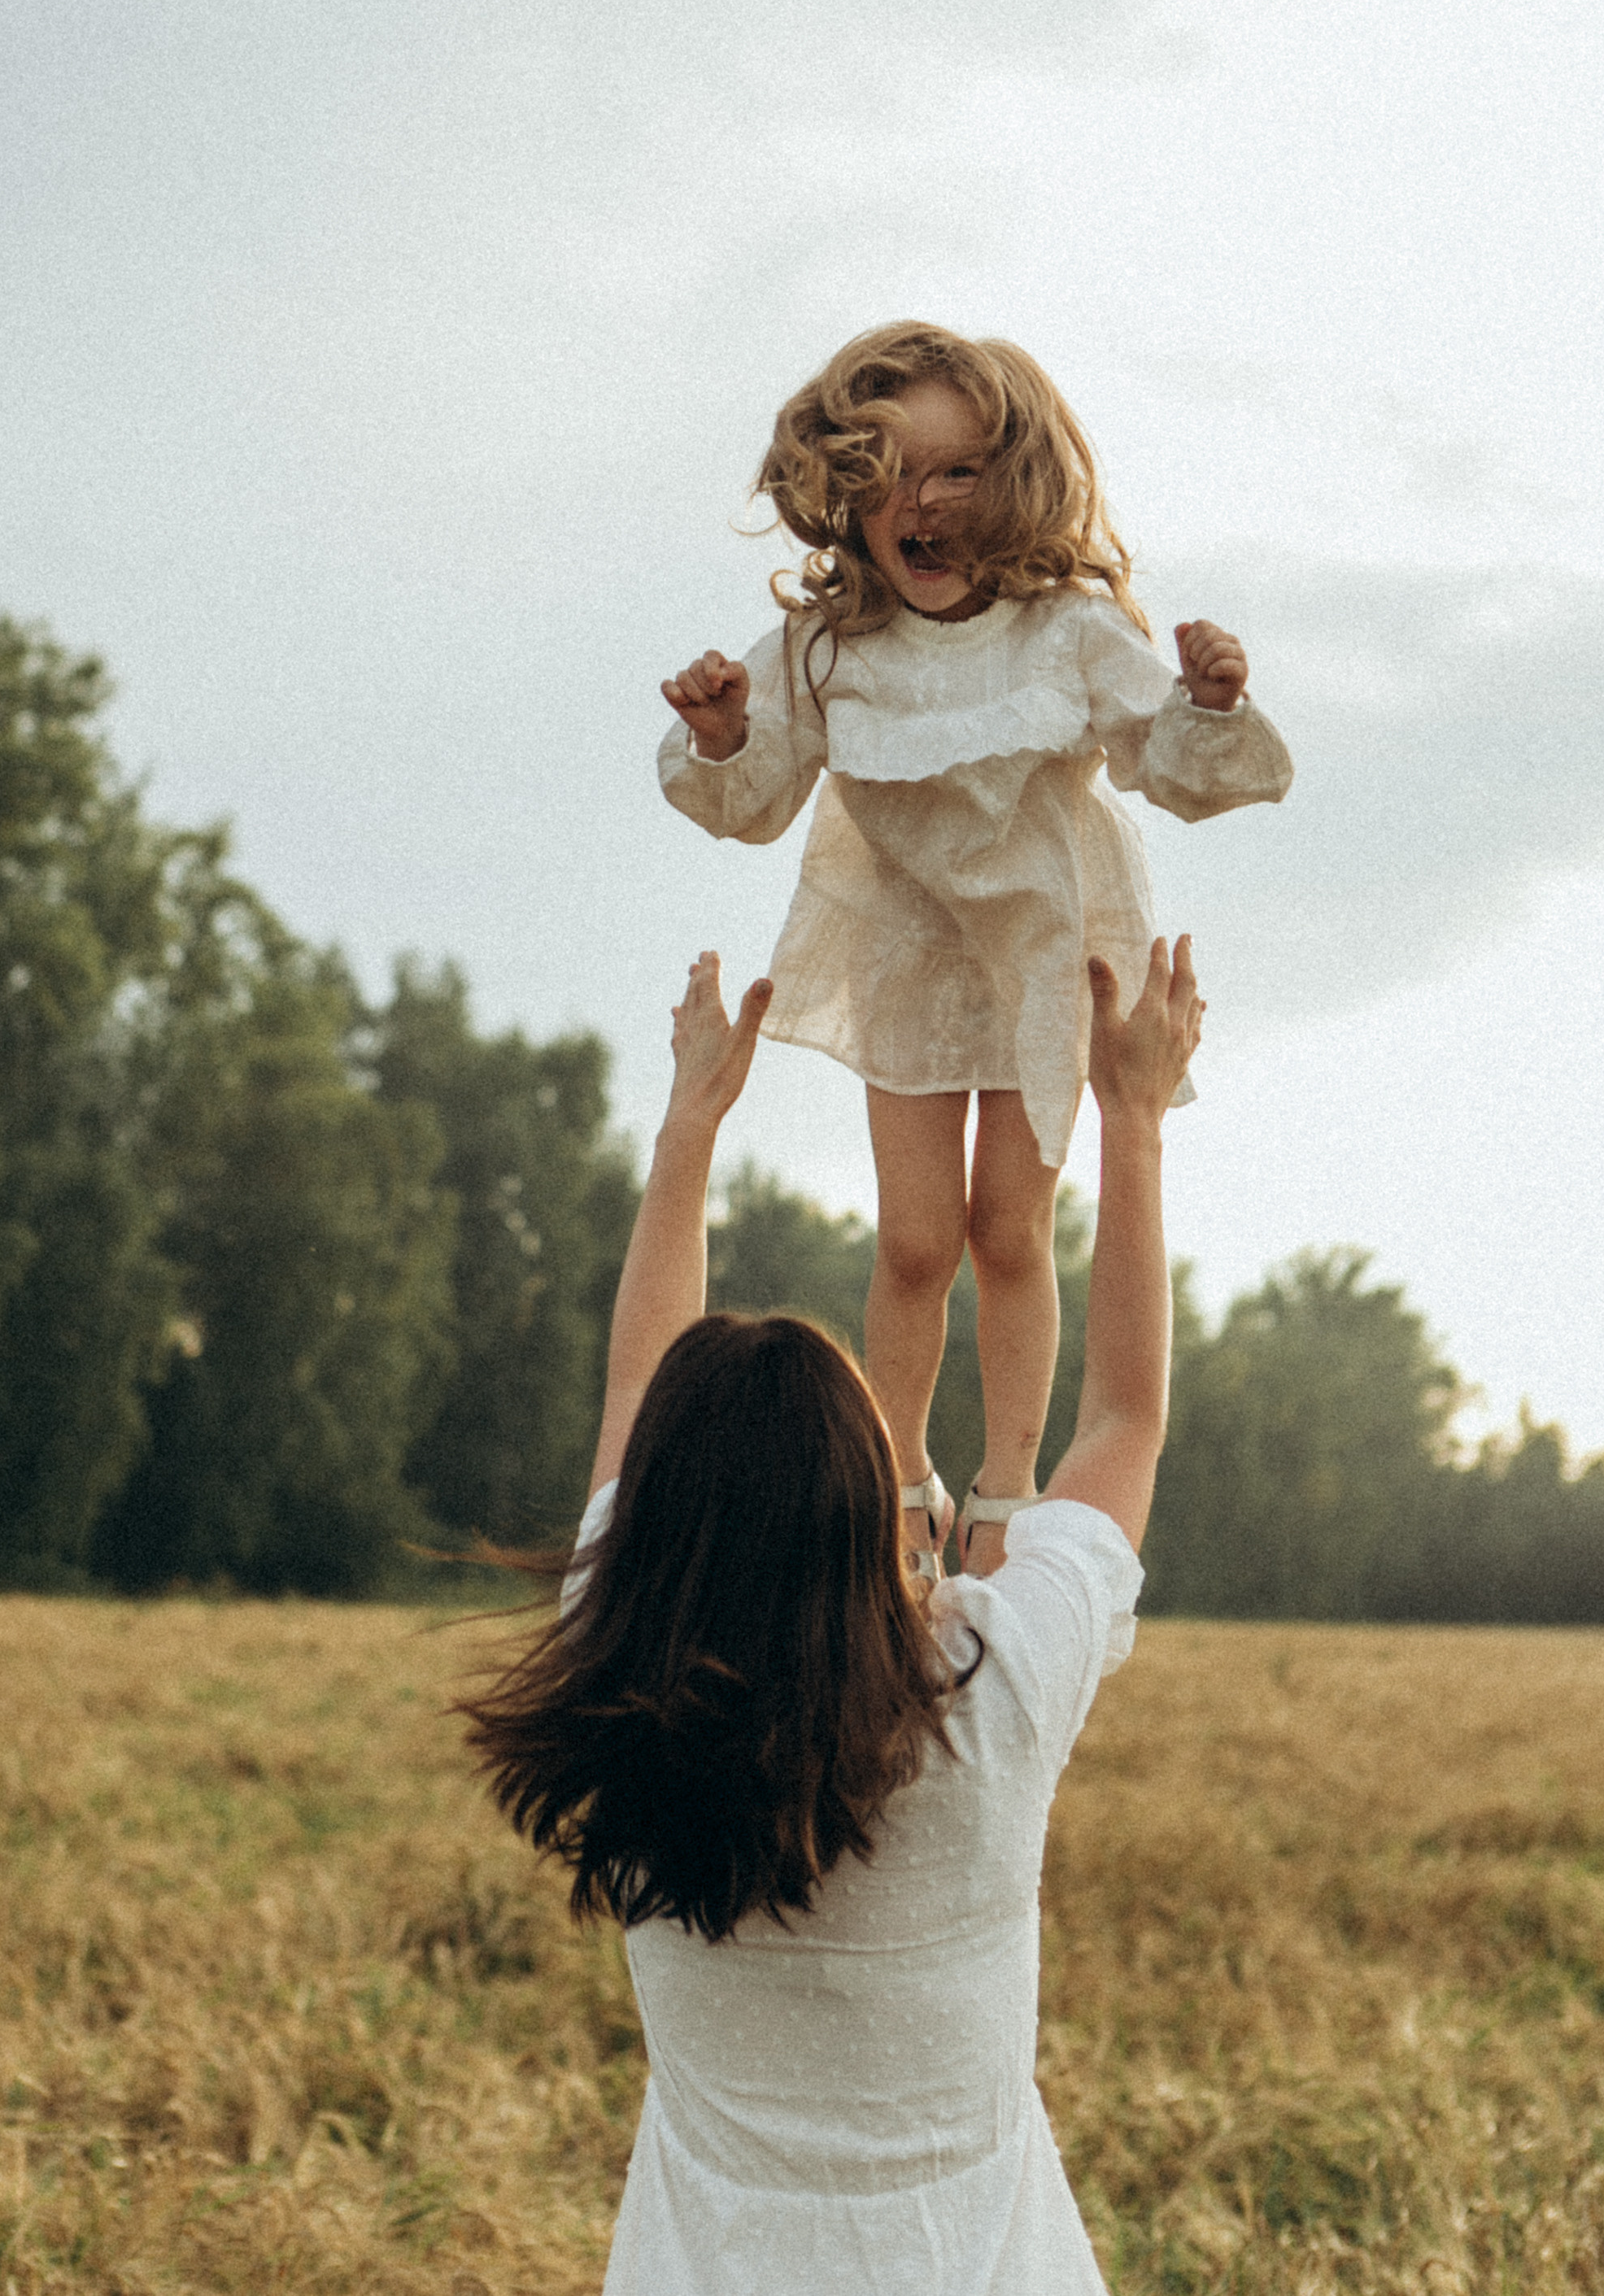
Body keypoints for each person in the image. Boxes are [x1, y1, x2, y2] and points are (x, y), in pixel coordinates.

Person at [462, 931, 1203, 2294]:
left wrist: (690, 1126)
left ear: (661, 1522)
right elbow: (1124, 1420)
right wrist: (1133, 1119)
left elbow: (636, 1395)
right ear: (872, 1509)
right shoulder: (988, 1683)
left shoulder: (616, 1664)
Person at [657, 321, 1290, 1578]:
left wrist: (1203, 705)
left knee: (1008, 1229)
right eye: (886, 475)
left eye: (955, 471)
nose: (922, 502)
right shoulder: (827, 647)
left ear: (1014, 481)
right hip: (900, 935)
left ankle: (1005, 1481)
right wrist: (727, 733)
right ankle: (893, 1475)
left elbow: (1161, 763)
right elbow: (759, 799)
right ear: (841, 495)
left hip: (1049, 939)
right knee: (912, 1238)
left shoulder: (1064, 627)